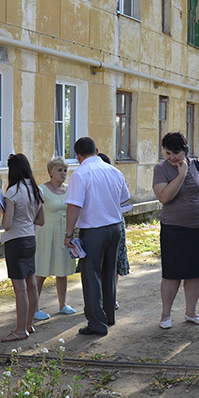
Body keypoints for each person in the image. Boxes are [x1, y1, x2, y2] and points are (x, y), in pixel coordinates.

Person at [152, 132, 199, 329]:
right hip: (174, 229)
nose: (172, 157)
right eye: (168, 153)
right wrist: (181, 175)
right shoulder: (161, 169)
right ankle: (166, 315)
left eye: (176, 153)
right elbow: (164, 197)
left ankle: (191, 312)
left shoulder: (198, 165)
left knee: (195, 272)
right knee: (172, 274)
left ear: (185, 150)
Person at [64, 137, 131, 336]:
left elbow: (74, 206)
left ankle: (96, 322)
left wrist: (68, 234)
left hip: (94, 231)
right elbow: (124, 198)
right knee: (109, 273)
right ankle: (108, 316)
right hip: (114, 228)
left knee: (91, 276)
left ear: (78, 156)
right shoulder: (114, 171)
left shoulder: (80, 173)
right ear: (97, 150)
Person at [0, 153, 45, 342]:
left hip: (15, 241)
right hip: (30, 239)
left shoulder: (12, 191)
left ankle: (20, 330)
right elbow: (41, 220)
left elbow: (7, 225)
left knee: (19, 289)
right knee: (31, 284)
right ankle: (28, 325)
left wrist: (3, 210)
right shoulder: (36, 190)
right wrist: (26, 219)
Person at [34, 157, 77, 320]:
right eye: (59, 170)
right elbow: (34, 210)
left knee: (62, 270)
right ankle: (35, 307)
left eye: (65, 170)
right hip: (46, 234)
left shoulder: (69, 189)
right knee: (41, 271)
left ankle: (62, 304)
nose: (63, 173)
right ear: (51, 171)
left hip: (64, 233)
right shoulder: (41, 189)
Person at [98, 153, 128, 310]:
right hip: (108, 224)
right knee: (102, 264)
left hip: (113, 223)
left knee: (113, 263)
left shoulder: (114, 176)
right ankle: (101, 299)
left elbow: (124, 199)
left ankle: (111, 298)